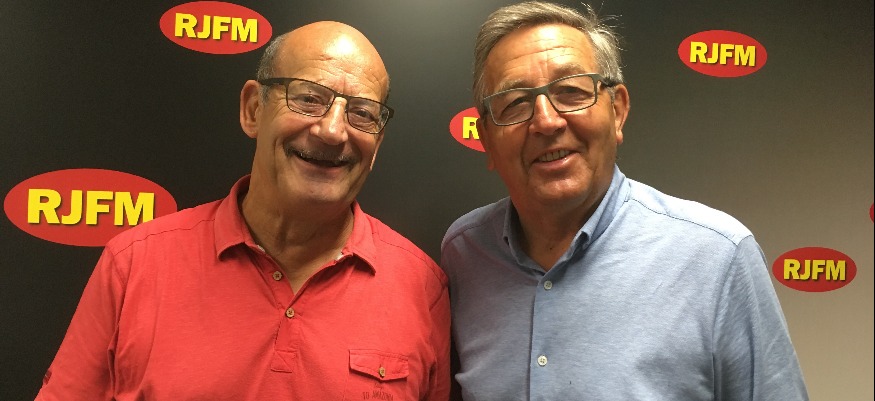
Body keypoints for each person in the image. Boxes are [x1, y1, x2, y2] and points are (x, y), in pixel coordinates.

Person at [36, 21, 450, 401]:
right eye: (309, 99)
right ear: (254, 109)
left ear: (377, 143)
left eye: (361, 113)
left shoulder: (422, 288)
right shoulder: (133, 265)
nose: (332, 130)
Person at [441, 2, 808, 400]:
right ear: (485, 139)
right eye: (515, 102)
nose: (546, 121)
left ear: (617, 111)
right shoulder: (465, 253)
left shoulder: (718, 257)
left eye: (571, 91)